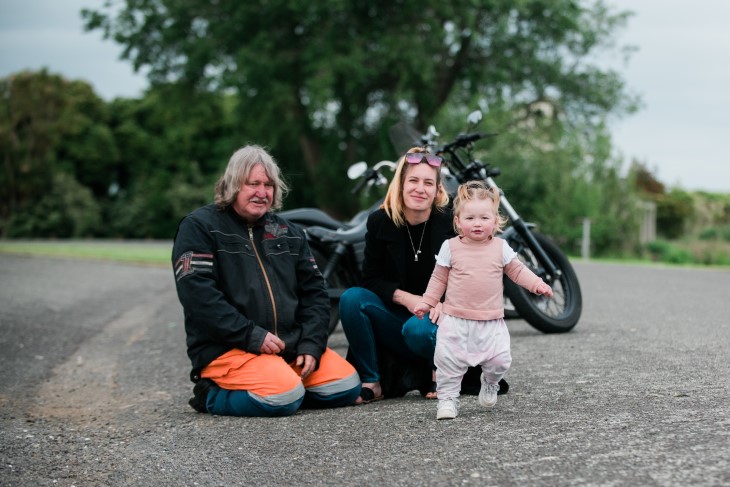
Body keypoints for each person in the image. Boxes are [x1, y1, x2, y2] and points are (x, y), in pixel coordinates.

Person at [172, 144, 361, 417]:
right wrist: (251, 335)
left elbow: (315, 294)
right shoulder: (199, 227)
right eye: (253, 184)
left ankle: (279, 390)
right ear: (233, 184)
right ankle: (211, 395)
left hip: (288, 347)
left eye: (268, 185)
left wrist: (311, 343)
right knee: (283, 396)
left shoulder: (289, 231)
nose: (262, 193)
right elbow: (198, 297)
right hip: (228, 348)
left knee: (346, 387)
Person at [414, 181, 553, 420]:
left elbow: (518, 271)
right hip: (456, 320)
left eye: (484, 218)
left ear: (495, 221)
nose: (477, 223)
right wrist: (428, 302)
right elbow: (438, 279)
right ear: (458, 221)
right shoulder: (451, 247)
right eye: (469, 218)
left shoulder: (500, 247)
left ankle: (490, 382)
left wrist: (537, 284)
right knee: (448, 363)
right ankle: (447, 400)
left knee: (500, 359)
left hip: (491, 321)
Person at [339, 147, 457, 403]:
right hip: (398, 317)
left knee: (418, 330)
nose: (420, 189)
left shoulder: (450, 222)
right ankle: (372, 380)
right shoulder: (380, 222)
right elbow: (371, 279)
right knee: (352, 299)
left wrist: (447, 303)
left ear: (438, 190)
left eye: (428, 182)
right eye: (413, 180)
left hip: (438, 322)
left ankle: (440, 372)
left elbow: (472, 275)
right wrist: (407, 299)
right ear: (401, 185)